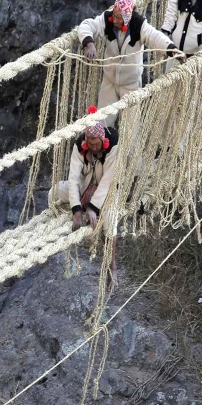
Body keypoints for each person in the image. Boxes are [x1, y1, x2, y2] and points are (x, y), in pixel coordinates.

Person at [78, 0, 180, 126]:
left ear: (127, 18)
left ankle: (129, 149)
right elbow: (87, 25)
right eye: (114, 15)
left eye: (118, 18)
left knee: (130, 128)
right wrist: (89, 43)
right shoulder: (107, 20)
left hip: (131, 85)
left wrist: (172, 50)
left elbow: (155, 37)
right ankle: (106, 147)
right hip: (109, 82)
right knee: (102, 123)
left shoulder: (139, 25)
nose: (114, 20)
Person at [52, 107, 120, 289]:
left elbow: (108, 180)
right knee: (55, 191)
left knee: (109, 222)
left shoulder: (113, 144)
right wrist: (76, 210)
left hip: (108, 190)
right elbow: (73, 177)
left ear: (103, 140)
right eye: (90, 143)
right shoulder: (80, 145)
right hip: (86, 184)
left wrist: (92, 208)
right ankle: (56, 216)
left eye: (97, 144)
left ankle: (111, 266)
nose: (94, 147)